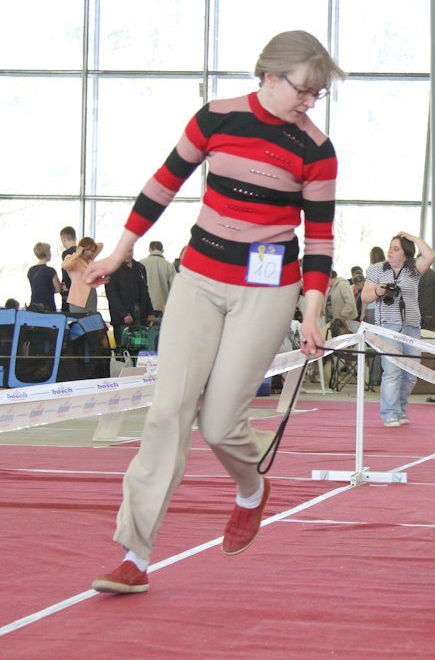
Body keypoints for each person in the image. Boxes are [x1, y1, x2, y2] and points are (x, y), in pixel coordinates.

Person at [85, 30, 346, 595]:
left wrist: (314, 310)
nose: (309, 102)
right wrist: (120, 250)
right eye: (304, 90)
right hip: (200, 278)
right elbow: (163, 184)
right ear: (269, 75)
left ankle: (251, 491)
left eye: (317, 95)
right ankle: (134, 554)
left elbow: (320, 239)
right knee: (166, 413)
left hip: (267, 285)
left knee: (221, 422)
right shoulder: (217, 118)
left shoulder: (316, 150)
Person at [362, 231, 435, 427]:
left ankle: (401, 409)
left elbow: (430, 255)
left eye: (396, 249)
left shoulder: (413, 269)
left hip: (412, 325)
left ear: (406, 253)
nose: (390, 252)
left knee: (411, 373)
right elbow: (364, 297)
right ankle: (389, 413)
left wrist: (413, 238)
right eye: (390, 248)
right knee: (392, 370)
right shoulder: (377, 269)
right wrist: (380, 290)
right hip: (387, 325)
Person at [105, 248, 156, 348]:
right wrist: (124, 313)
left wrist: (150, 311)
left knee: (141, 345)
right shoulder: (112, 269)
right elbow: (112, 295)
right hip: (122, 317)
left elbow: (145, 291)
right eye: (126, 252)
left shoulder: (140, 268)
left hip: (140, 314)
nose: (129, 254)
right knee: (124, 346)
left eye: (131, 251)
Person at [62, 236, 103, 314]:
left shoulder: (90, 260)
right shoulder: (72, 259)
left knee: (92, 323)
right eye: (88, 250)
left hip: (91, 296)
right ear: (82, 249)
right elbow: (65, 265)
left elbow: (101, 245)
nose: (90, 253)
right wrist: (77, 253)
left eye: (92, 251)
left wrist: (91, 245)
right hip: (78, 298)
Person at [139, 240, 176, 317]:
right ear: (162, 250)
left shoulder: (140, 264)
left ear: (149, 249)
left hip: (143, 306)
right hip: (162, 307)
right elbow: (174, 288)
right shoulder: (169, 265)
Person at [27, 242, 62, 312]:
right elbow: (58, 289)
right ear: (47, 253)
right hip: (48, 305)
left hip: (34, 305)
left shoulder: (30, 270)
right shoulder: (50, 270)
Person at [361, 246, 386, 324]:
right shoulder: (388, 267)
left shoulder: (371, 269)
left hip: (372, 307)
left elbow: (366, 295)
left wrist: (363, 313)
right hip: (386, 309)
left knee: (370, 335)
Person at [59, 226, 78, 312]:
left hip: (70, 293)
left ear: (63, 239)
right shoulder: (83, 252)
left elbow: (67, 271)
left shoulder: (66, 253)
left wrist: (67, 286)